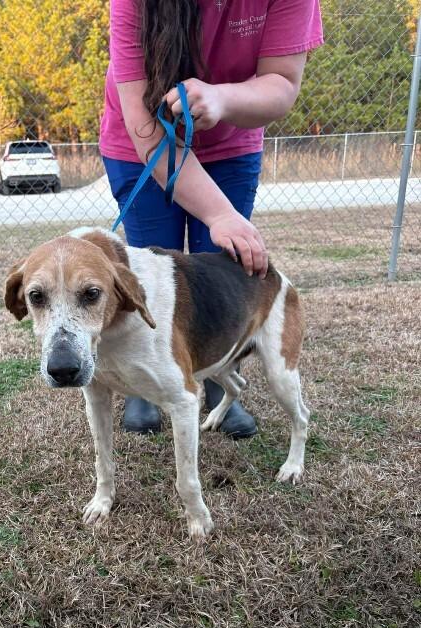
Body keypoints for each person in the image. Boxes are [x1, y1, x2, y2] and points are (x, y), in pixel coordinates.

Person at [100, 0, 323, 436]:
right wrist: (218, 211)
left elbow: (283, 82)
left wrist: (224, 96)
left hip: (232, 141)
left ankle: (220, 385)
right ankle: (142, 387)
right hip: (140, 143)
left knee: (221, 273)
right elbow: (142, 123)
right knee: (147, 269)